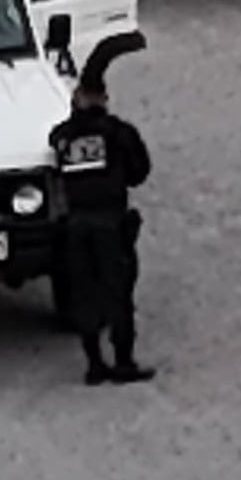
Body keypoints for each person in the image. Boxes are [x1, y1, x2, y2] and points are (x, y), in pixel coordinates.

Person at [50, 67, 152, 385]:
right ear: (104, 99)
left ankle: (94, 364)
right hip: (109, 222)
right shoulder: (119, 132)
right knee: (117, 292)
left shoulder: (62, 137)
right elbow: (139, 172)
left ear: (76, 100)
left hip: (77, 224)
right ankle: (123, 362)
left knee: (84, 292)